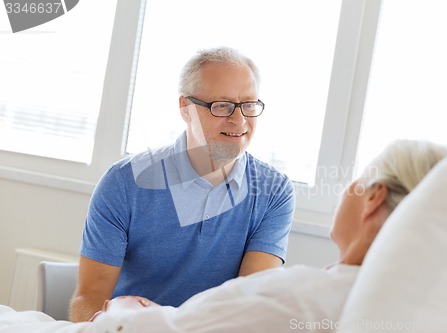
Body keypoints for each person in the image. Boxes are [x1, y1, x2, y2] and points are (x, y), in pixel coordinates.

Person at [81, 139, 447, 332]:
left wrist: (126, 307)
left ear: (373, 199)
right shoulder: (415, 304)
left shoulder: (300, 297)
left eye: (357, 178)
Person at [69, 47, 296, 322]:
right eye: (221, 105)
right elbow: (89, 297)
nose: (239, 120)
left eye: (248, 104)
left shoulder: (274, 191)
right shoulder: (123, 182)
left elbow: (248, 306)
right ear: (185, 109)